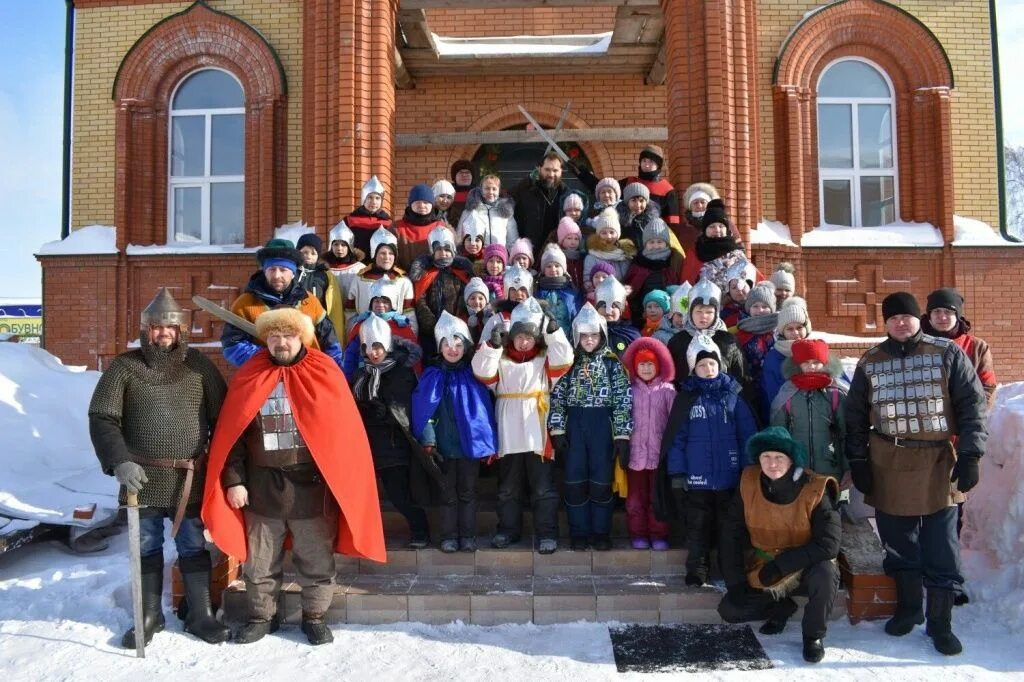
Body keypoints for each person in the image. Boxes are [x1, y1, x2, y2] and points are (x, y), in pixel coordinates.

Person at [202, 307, 386, 645]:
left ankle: (314, 616)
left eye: (287, 335)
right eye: (274, 336)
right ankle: (262, 617)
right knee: (259, 561)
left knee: (315, 558)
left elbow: (343, 432)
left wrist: (339, 479)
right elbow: (233, 435)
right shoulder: (250, 374)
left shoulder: (324, 371)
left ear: (301, 337)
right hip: (261, 486)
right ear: (266, 340)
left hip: (311, 487)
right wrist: (234, 480)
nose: (281, 342)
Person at [844, 292, 988, 656]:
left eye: (906, 317)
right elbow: (856, 418)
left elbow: (972, 406)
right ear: (886, 322)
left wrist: (970, 454)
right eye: (893, 318)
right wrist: (858, 461)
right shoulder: (871, 362)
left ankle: (940, 623)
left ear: (916, 318)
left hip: (938, 460)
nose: (901, 323)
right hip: (887, 461)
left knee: (941, 546)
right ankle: (908, 609)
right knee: (899, 542)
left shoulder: (947, 354)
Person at [89, 288, 230, 648]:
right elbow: (103, 418)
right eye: (156, 327)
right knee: (147, 547)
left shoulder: (199, 367)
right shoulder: (125, 367)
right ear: (145, 330)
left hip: (188, 479)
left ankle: (200, 614)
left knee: (193, 546)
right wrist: (119, 461)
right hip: (142, 479)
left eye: (169, 327)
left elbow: (224, 418)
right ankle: (149, 615)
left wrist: (217, 465)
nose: (163, 333)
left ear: (181, 330)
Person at [717, 426, 842, 664]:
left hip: (805, 564)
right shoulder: (748, 481)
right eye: (765, 457)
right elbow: (730, 533)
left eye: (778, 457)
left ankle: (813, 637)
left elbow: (829, 544)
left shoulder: (815, 488)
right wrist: (735, 582)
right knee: (730, 611)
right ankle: (781, 608)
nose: (771, 464)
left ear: (791, 459)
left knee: (826, 572)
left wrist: (784, 564)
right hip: (765, 565)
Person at [472, 298, 574, 554]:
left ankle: (547, 534)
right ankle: (507, 530)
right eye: (519, 337)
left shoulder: (544, 360)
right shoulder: (501, 360)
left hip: (537, 431)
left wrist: (553, 332)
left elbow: (565, 358)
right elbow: (482, 372)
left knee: (543, 488)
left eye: (529, 337)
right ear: (512, 337)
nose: (524, 341)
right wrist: (493, 346)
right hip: (509, 430)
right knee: (507, 488)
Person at [662, 334, 759, 586]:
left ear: (720, 365)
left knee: (730, 528)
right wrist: (677, 473)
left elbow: (747, 435)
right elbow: (677, 439)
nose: (708, 369)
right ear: (694, 367)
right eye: (702, 365)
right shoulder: (687, 398)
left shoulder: (733, 397)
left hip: (729, 478)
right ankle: (698, 569)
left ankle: (731, 571)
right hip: (697, 480)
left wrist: (749, 469)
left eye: (712, 364)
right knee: (697, 528)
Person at [548, 303, 633, 551]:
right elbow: (557, 397)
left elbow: (623, 399)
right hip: (575, 425)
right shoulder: (568, 364)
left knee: (601, 482)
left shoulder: (612, 363)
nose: (588, 340)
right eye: (584, 336)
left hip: (602, 427)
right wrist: (558, 430)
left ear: (602, 335)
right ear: (576, 336)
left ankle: (600, 532)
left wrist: (622, 434)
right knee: (574, 482)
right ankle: (579, 532)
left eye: (593, 335)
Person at [412, 312, 497, 553]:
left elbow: (481, 410)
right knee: (447, 493)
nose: (452, 349)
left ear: (465, 346)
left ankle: (468, 536)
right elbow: (423, 409)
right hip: (444, 447)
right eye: (447, 345)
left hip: (468, 446)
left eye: (458, 345)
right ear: (440, 347)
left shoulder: (472, 375)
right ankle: (449, 536)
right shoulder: (432, 375)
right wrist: (429, 439)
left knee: (468, 492)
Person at [350, 314, 432, 548]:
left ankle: (420, 530)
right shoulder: (360, 375)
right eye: (369, 348)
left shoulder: (401, 372)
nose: (374, 353)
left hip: (394, 441)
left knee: (399, 494)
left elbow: (406, 404)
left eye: (378, 347)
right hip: (367, 442)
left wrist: (384, 411)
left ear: (386, 346)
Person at [221, 239, 344, 370]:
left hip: (308, 374)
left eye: (283, 269)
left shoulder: (310, 301)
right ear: (264, 271)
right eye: (272, 269)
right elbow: (231, 346)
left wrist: (334, 371)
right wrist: (272, 357)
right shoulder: (245, 304)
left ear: (293, 273)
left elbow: (330, 343)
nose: (277, 275)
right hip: (264, 376)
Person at [620, 337, 675, 550]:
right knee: (635, 501)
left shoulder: (668, 391)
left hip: (658, 456)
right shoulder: (629, 390)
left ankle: (659, 534)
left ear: (659, 364)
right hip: (635, 457)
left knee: (657, 499)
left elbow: (673, 422)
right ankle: (638, 533)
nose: (645, 368)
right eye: (641, 364)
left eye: (650, 364)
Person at [770, 339, 848, 481]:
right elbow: (779, 435)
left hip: (831, 469)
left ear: (824, 363)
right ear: (798, 365)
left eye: (816, 362)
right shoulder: (788, 393)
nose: (811, 366)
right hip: (798, 469)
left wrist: (848, 468)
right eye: (806, 362)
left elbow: (846, 434)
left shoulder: (835, 394)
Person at [666, 277, 748, 392]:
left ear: (716, 313)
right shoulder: (678, 341)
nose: (703, 316)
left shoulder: (729, 341)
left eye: (709, 312)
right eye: (698, 311)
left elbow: (742, 376)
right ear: (690, 312)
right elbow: (670, 378)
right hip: (688, 401)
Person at [410, 226, 473, 359]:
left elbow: (466, 297)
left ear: (453, 251)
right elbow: (420, 299)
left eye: (447, 249)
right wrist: (432, 323)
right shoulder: (426, 274)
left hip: (458, 330)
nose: (443, 253)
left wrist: (459, 320)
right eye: (438, 249)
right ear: (432, 252)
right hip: (431, 330)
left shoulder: (461, 273)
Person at [342, 275, 420, 381]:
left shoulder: (401, 326)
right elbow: (350, 355)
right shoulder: (361, 324)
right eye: (376, 301)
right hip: (365, 375)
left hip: (395, 378)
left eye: (385, 302)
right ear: (371, 303)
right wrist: (348, 379)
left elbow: (413, 357)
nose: (380, 305)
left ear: (392, 304)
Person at [346, 227, 417, 335]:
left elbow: (409, 315)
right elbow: (350, 313)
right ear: (374, 254)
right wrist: (352, 335)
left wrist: (411, 338)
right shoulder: (360, 279)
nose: (387, 257)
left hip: (396, 333)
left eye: (391, 253)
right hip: (365, 333)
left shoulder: (403, 281)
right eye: (382, 253)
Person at [624, 217, 681, 330]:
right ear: (645, 244)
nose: (655, 245)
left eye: (660, 242)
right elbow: (631, 291)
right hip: (643, 314)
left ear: (666, 243)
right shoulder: (638, 264)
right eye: (651, 242)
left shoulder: (673, 262)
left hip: (668, 315)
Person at [512, 152, 574, 249]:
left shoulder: (567, 195)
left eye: (555, 170)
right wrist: (528, 179)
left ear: (561, 171)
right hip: (529, 249)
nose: (551, 174)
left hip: (557, 251)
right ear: (539, 169)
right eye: (547, 169)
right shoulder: (526, 189)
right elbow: (509, 198)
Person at [736, 281, 779, 421]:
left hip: (776, 388)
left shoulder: (779, 331)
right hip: (749, 389)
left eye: (765, 306)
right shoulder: (740, 333)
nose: (760, 310)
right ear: (748, 308)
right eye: (755, 306)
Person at [680, 199, 747, 285]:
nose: (717, 230)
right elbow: (685, 286)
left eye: (721, 226)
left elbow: (750, 281)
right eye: (712, 226)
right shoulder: (695, 253)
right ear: (705, 230)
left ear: (727, 230)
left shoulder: (737, 254)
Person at [294, 232, 346, 344]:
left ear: (318, 256)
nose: (309, 256)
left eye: (313, 253)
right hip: (293, 325)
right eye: (305, 252)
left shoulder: (325, 276)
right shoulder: (291, 272)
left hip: (317, 327)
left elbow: (333, 306)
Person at [761, 297, 811, 410]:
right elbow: (772, 394)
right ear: (782, 331)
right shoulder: (773, 357)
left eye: (799, 327)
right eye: (790, 329)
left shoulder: (816, 351)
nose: (796, 333)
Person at [619, 145, 681, 236]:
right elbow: (604, 189)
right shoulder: (628, 182)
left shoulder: (668, 190)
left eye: (651, 161)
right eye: (644, 161)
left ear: (658, 165)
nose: (646, 165)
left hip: (653, 239)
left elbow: (673, 224)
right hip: (627, 235)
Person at [534, 243, 582, 340]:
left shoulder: (572, 292)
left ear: (563, 269)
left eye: (557, 265)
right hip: (544, 340)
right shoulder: (537, 291)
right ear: (543, 270)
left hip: (567, 339)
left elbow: (578, 317)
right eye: (549, 266)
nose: (553, 269)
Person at [457, 174, 519, 248]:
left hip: (498, 256)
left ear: (499, 191)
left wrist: (511, 256)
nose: (491, 192)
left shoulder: (505, 212)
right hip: (477, 256)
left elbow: (512, 240)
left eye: (494, 189)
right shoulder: (470, 211)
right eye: (487, 188)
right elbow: (459, 237)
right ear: (481, 191)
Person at [584, 207, 635, 287]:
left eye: (612, 232)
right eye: (604, 233)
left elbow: (626, 277)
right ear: (599, 235)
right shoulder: (592, 256)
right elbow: (587, 277)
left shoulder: (624, 255)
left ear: (618, 234)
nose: (608, 236)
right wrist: (588, 284)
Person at [342, 176, 392, 257]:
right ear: (364, 199)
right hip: (356, 264)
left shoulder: (388, 222)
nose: (374, 202)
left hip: (379, 264)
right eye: (370, 197)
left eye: (377, 198)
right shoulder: (349, 220)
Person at [595, 275, 640, 358]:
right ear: (597, 309)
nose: (608, 310)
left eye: (614, 306)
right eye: (604, 306)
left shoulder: (631, 334)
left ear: (621, 310)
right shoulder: (589, 332)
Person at [323, 220, 367, 298]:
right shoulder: (324, 269)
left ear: (349, 247)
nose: (339, 248)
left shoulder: (359, 269)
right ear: (331, 246)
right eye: (336, 244)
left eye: (343, 245)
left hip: (352, 309)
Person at [679, 182, 719, 254]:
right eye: (695, 202)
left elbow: (738, 248)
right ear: (690, 206)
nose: (699, 206)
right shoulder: (682, 230)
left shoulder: (723, 224)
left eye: (703, 202)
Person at [555, 217, 585, 290]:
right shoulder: (557, 257)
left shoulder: (581, 258)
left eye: (576, 239)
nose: (573, 242)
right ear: (562, 240)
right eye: (569, 238)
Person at [448, 159, 477, 228]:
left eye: (467, 172)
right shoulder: (447, 193)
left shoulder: (480, 193)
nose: (464, 175)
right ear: (454, 176)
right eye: (460, 172)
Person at [463, 277, 491, 347]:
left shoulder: (493, 316)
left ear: (486, 301)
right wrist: (470, 327)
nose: (477, 301)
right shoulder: (463, 317)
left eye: (481, 298)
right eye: (472, 298)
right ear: (467, 301)